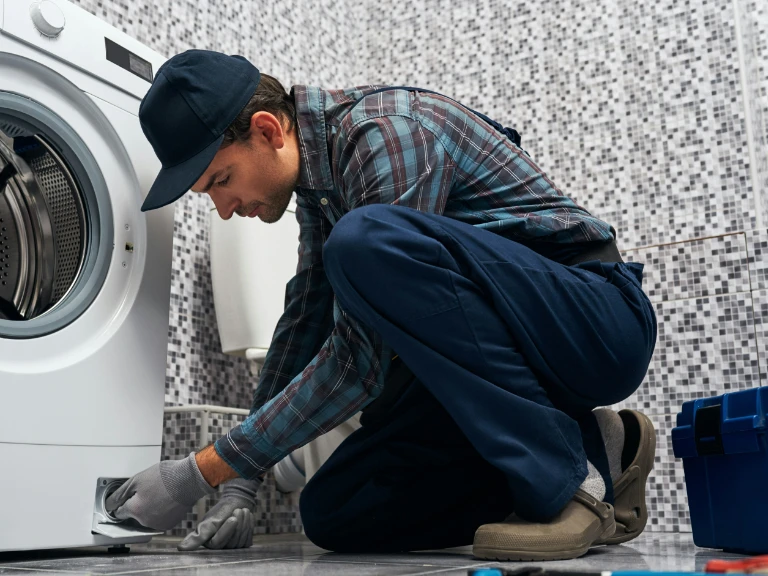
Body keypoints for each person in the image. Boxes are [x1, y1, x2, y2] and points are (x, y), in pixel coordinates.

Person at [106, 49, 658, 561]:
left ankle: (570, 488)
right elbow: (304, 321)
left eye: (221, 180)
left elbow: (357, 364)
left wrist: (201, 471)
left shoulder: (386, 134)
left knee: (363, 241)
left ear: (268, 129)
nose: (223, 208)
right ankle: (601, 459)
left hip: (593, 322)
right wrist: (244, 483)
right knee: (339, 512)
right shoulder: (321, 188)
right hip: (505, 348)